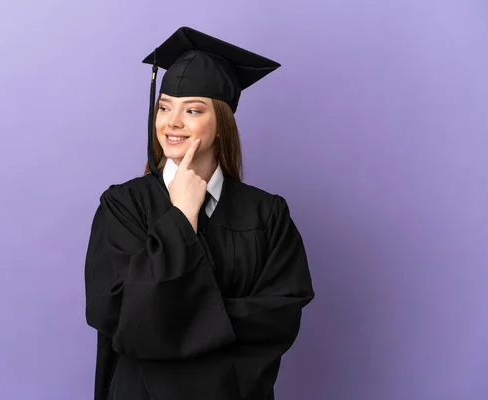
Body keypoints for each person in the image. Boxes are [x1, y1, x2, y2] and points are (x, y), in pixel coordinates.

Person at [84, 26, 315, 400]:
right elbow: (115, 312)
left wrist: (172, 318)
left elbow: (278, 317)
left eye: (192, 109)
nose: (172, 122)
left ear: (221, 123)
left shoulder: (267, 213)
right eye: (164, 107)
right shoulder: (123, 205)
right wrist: (181, 215)